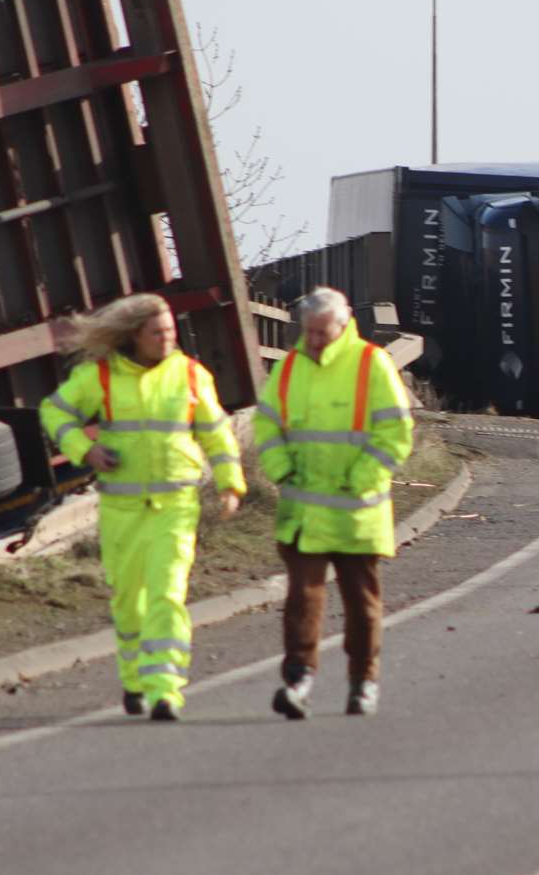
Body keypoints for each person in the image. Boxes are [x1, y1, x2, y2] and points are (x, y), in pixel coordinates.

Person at [39, 294, 245, 721]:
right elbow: (54, 413)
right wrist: (85, 450)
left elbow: (218, 434)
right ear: (135, 336)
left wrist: (231, 485)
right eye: (158, 332)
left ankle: (165, 689)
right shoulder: (100, 377)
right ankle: (135, 679)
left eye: (171, 331)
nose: (167, 339)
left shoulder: (190, 375)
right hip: (122, 509)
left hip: (176, 505)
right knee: (129, 600)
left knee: (167, 593)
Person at [253, 287, 415, 719]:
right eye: (308, 332)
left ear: (342, 327)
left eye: (322, 332)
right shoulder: (289, 368)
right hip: (304, 512)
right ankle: (298, 678)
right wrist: (280, 467)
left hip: (356, 513)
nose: (315, 340)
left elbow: (396, 433)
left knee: (362, 605)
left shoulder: (370, 364)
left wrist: (360, 479)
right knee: (302, 599)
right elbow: (266, 424)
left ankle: (363, 681)